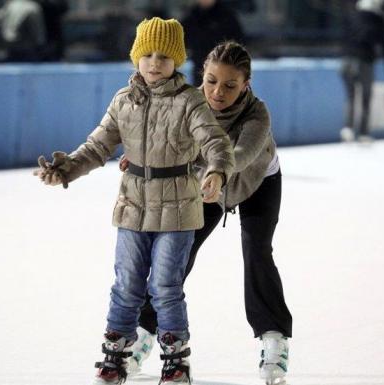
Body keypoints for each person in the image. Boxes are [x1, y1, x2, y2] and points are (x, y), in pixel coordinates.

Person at [34, 17, 234, 385]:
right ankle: (115, 355)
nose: (155, 62)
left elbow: (216, 143)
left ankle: (175, 360)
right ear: (135, 58)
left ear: (177, 60)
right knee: (126, 282)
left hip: (178, 206)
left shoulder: (189, 101)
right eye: (147, 54)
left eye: (164, 55)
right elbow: (97, 146)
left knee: (165, 286)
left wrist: (217, 172)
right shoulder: (123, 101)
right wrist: (65, 171)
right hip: (133, 204)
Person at [121, 41, 293, 385]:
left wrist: (216, 171)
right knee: (177, 254)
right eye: (212, 81)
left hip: (257, 181)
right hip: (207, 184)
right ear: (203, 75)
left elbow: (242, 154)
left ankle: (274, 339)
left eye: (230, 85)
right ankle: (142, 333)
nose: (218, 92)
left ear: (246, 84)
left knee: (257, 250)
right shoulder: (188, 102)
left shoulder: (258, 113)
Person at [340, 0, 384, 143]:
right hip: (365, 61)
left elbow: (344, 37)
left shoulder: (352, 16)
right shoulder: (379, 20)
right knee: (366, 97)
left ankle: (348, 128)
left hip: (347, 60)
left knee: (351, 97)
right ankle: (363, 132)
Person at [181, 0, 244, 86]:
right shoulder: (191, 17)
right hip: (200, 70)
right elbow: (182, 39)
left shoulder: (227, 17)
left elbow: (239, 42)